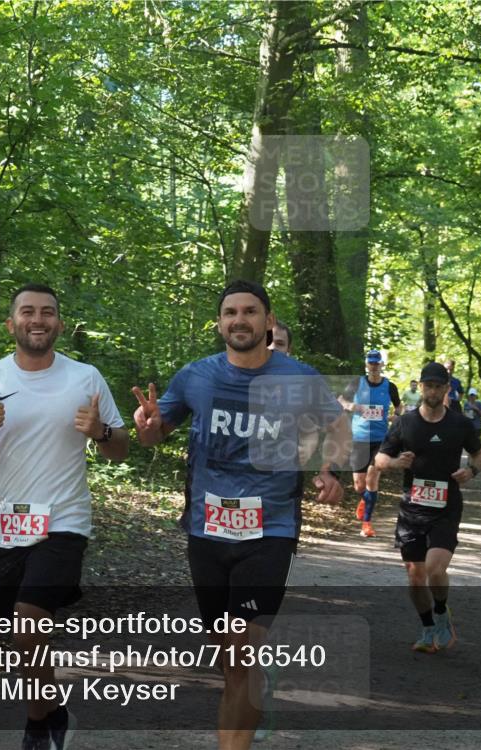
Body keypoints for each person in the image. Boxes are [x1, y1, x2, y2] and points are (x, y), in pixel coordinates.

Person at [132, 279, 349, 750]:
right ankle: (251, 689)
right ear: (219, 324)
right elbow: (155, 434)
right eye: (230, 312)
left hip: (269, 529)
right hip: (207, 530)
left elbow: (338, 423)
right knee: (229, 657)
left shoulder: (298, 378)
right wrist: (148, 426)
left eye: (250, 312)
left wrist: (331, 470)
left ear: (268, 322)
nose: (239, 320)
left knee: (241, 650)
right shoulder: (196, 376)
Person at [0, 283, 128, 750]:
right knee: (22, 635)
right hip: (7, 526)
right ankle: (51, 709)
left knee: (28, 622)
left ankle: (35, 724)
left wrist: (100, 431)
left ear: (59, 324)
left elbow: (119, 450)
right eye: (27, 312)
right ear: (12, 324)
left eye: (47, 312)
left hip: (64, 521)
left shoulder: (86, 377)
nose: (37, 319)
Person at [375, 362, 481, 654]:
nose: (433, 391)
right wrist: (396, 463)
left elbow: (480, 454)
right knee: (415, 575)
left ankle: (440, 612)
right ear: (421, 386)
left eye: (439, 386)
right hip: (412, 508)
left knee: (436, 570)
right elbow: (379, 459)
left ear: (447, 389)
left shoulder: (460, 423)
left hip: (446, 507)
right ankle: (427, 629)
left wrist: (472, 471)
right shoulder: (404, 423)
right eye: (429, 385)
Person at [338, 350, 401, 537]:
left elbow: (399, 408)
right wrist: (351, 406)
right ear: (367, 364)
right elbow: (341, 400)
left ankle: (366, 523)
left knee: (372, 480)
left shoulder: (390, 386)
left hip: (381, 439)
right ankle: (364, 501)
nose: (373, 366)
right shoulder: (357, 383)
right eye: (370, 363)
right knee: (359, 485)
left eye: (376, 363)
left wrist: (395, 417)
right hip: (359, 438)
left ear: (382, 365)